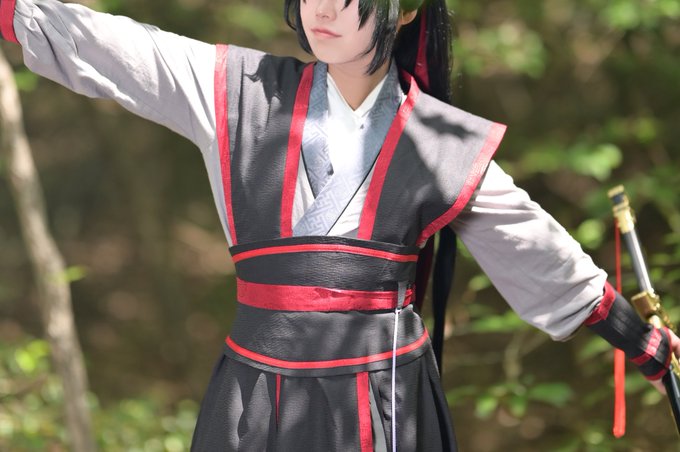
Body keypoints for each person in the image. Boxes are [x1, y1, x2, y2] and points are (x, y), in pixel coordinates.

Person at [1, 0, 679, 450]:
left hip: (383, 396)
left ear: (405, 9)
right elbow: (120, 48)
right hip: (254, 393)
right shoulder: (236, 90)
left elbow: (530, 243)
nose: (322, 9)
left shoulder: (439, 138)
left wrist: (637, 337)